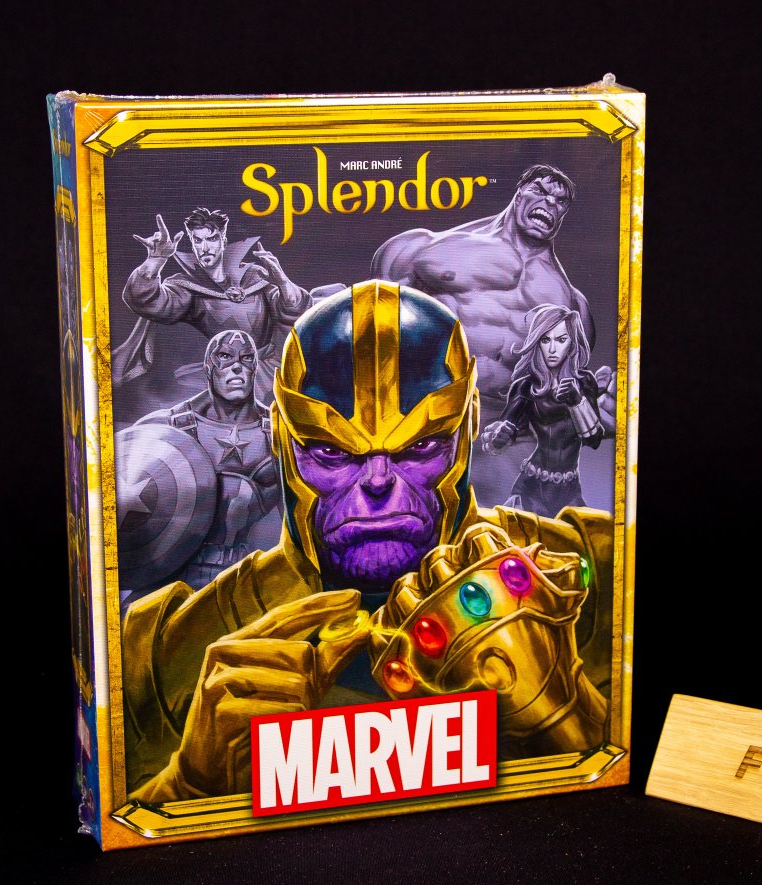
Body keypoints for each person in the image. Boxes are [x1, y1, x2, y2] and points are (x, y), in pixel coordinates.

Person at [121, 282, 616, 800]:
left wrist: (563, 715)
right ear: (282, 439)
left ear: (468, 425)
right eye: (332, 453)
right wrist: (191, 784)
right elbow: (122, 813)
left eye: (421, 446)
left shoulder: (593, 572)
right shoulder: (162, 652)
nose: (378, 481)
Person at [370, 165, 593, 404]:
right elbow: (373, 324)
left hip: (505, 415)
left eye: (561, 201)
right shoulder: (422, 248)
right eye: (539, 190)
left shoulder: (570, 302)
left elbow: (569, 381)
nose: (550, 202)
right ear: (519, 194)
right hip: (428, 401)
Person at [115, 330, 280, 598]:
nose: (237, 367)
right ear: (208, 367)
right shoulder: (164, 427)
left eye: (247, 358)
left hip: (242, 580)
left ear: (255, 367)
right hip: (171, 582)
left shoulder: (278, 435)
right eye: (225, 357)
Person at [112, 208, 311, 389]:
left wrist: (283, 281)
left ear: (223, 240)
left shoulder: (254, 276)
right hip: (221, 376)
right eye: (198, 241)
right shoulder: (186, 286)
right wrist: (156, 259)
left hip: (267, 373)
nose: (205, 247)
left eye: (212, 239)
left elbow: (296, 310)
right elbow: (146, 300)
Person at [481, 305, 613, 517]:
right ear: (537, 342)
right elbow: (504, 433)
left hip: (569, 489)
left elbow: (594, 439)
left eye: (561, 340)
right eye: (545, 340)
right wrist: (499, 437)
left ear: (572, 343)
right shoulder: (526, 386)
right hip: (530, 489)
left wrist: (576, 401)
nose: (552, 349)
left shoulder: (584, 381)